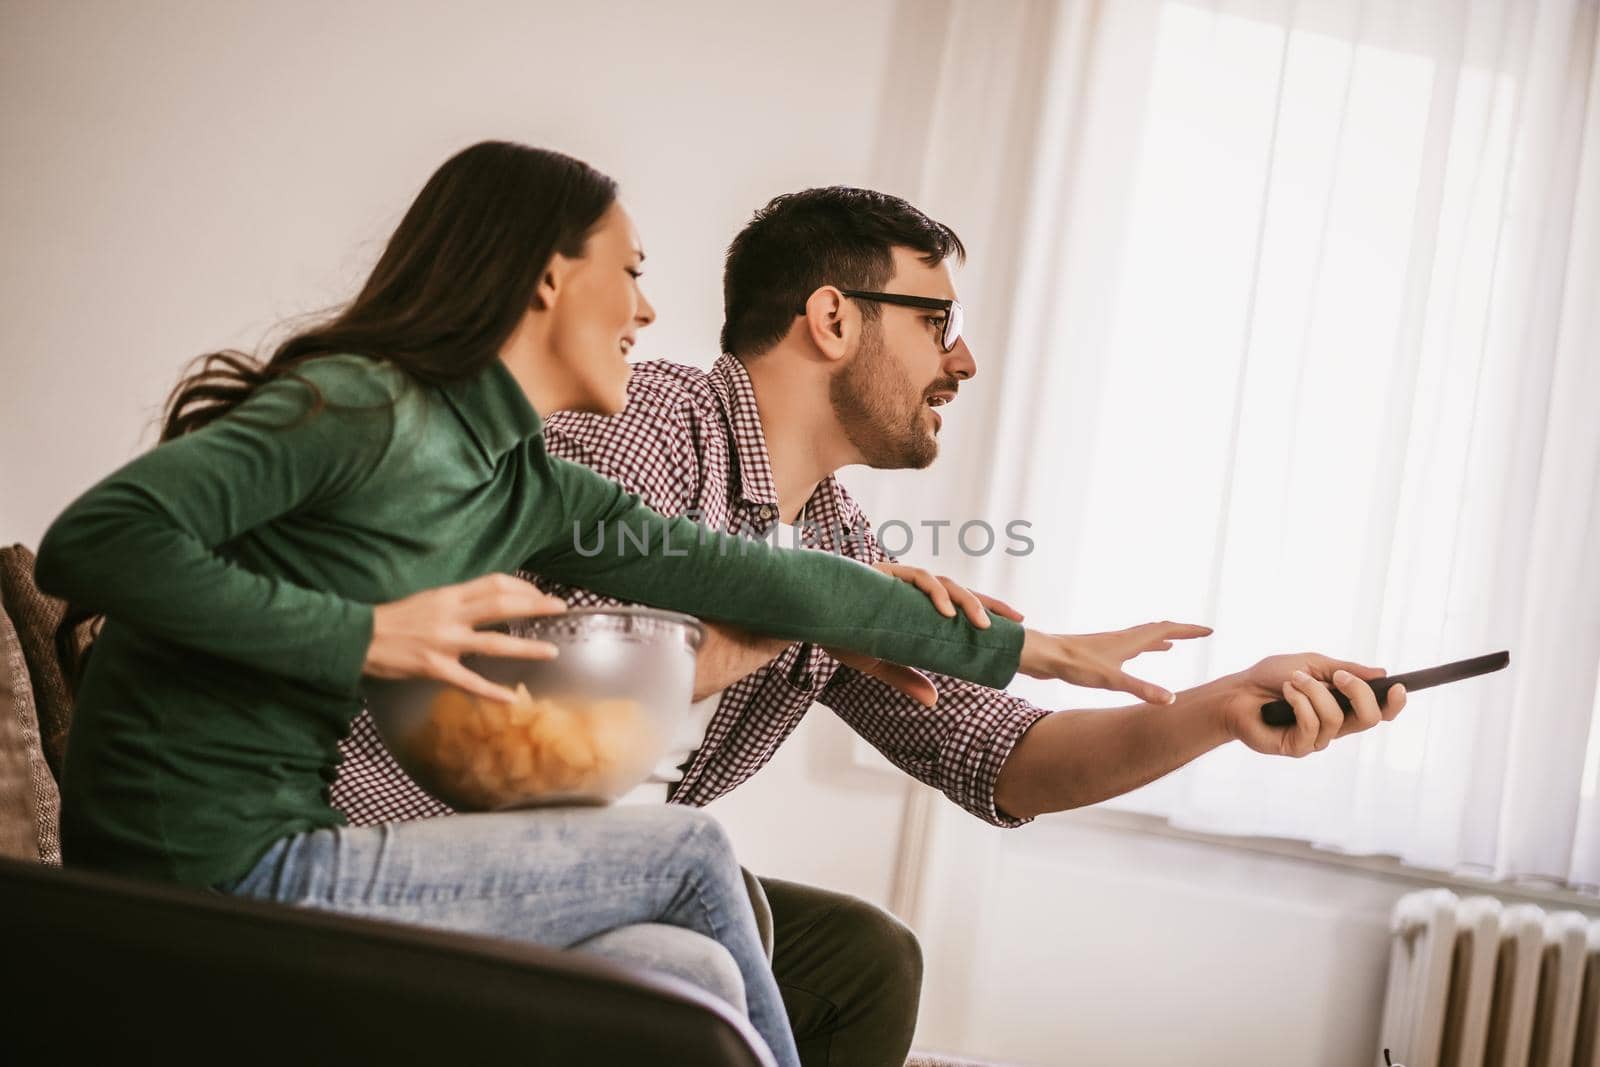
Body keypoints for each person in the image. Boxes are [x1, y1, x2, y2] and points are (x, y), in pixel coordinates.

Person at [33, 144, 1209, 1067]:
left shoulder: (519, 478)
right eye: (631, 269)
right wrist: (368, 633)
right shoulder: (363, 407)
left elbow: (767, 580)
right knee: (687, 852)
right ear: (550, 274)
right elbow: (94, 542)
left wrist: (1026, 645)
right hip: (214, 883)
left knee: (676, 966)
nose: (648, 309)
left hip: (300, 860)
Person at [334, 185, 1410, 1067]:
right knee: (710, 922)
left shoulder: (837, 537)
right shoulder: (652, 427)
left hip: (602, 855)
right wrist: (795, 623)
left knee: (862, 957)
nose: (965, 360)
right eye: (935, 320)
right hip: (438, 847)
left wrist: (1218, 712)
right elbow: (533, 720)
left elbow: (1000, 754)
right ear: (833, 317)